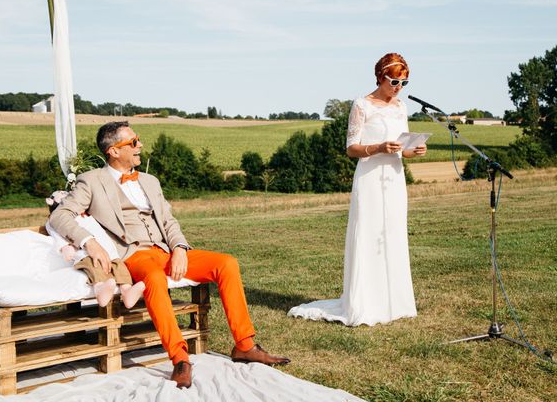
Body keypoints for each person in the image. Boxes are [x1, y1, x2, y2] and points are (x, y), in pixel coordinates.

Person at [49, 121, 289, 389]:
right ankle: (180, 359)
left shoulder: (150, 181)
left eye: (137, 140)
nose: (140, 145)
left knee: (226, 263)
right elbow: (60, 214)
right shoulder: (92, 181)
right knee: (153, 276)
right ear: (114, 151)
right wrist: (89, 241)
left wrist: (179, 249)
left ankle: (244, 346)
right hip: (134, 254)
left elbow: (169, 221)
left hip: (165, 251)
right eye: (133, 142)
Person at [288, 52, 426, 326]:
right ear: (380, 77)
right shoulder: (362, 105)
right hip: (370, 177)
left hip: (395, 178)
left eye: (404, 83)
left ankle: (394, 302)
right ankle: (366, 301)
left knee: (393, 235)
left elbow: (403, 148)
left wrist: (414, 150)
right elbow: (351, 148)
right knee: (369, 234)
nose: (398, 88)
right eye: (394, 81)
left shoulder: (401, 108)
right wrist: (378, 148)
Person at [45, 190, 146, 308]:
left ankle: (127, 291)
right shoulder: (55, 219)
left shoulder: (85, 214)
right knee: (95, 267)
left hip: (109, 251)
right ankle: (100, 290)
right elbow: (55, 233)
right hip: (86, 253)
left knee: (120, 268)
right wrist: (64, 246)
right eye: (62, 195)